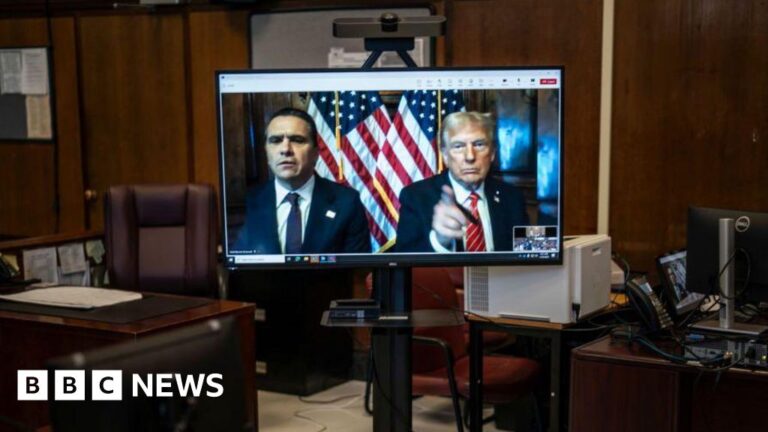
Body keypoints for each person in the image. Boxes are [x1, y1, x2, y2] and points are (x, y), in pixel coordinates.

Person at [233, 107, 370, 254]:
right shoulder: (248, 203)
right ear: (266, 152)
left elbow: (356, 266)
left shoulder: (347, 203)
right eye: (276, 140)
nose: (285, 149)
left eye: (297, 140)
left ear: (315, 153)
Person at [395, 111, 528, 252]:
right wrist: (439, 241)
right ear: (445, 155)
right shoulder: (415, 197)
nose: (470, 156)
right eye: (458, 146)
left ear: (492, 153)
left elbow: (528, 254)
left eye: (479, 144)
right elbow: (404, 261)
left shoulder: (512, 197)